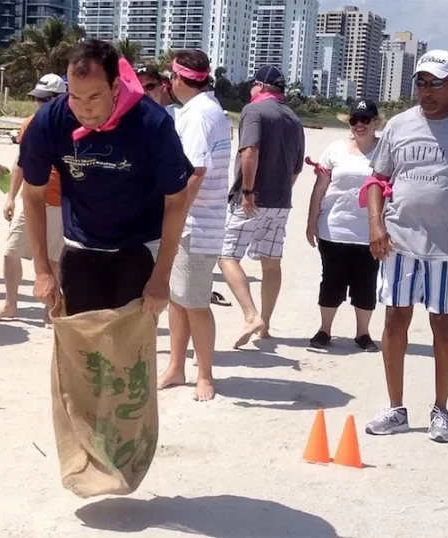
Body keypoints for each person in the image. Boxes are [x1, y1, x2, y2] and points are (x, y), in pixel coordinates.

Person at [362, 50, 448, 443]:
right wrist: (375, 224)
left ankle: (441, 410)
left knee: (443, 324)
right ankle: (396, 408)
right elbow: (377, 180)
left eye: (435, 83)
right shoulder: (400, 125)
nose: (427, 90)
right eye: (421, 82)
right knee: (394, 319)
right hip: (399, 241)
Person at [18, 39, 189, 320]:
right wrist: (41, 271)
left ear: (115, 87)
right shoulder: (51, 120)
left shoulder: (152, 123)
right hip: (81, 245)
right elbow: (33, 194)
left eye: (94, 97)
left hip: (139, 245)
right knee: (84, 349)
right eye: (75, 96)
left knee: (129, 352)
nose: (84, 108)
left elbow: (177, 200)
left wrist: (161, 277)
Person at [155, 50, 230, 402]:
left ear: (180, 79)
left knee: (196, 302)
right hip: (193, 222)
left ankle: (205, 375)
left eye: (171, 77)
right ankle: (176, 367)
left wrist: (176, 214)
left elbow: (196, 172)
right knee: (177, 299)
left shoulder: (200, 114)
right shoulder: (200, 109)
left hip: (197, 224)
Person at [219, 65, 305, 348]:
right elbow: (296, 168)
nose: (250, 90)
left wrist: (247, 191)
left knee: (227, 255)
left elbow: (250, 151)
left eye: (253, 85)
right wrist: (281, 193)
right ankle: (264, 325)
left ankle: (250, 315)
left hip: (252, 199)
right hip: (281, 200)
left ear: (261, 86)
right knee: (271, 262)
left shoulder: (254, 111)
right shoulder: (293, 119)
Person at [305, 99, 382, 352]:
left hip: (370, 231)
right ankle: (324, 329)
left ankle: (363, 334)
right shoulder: (335, 149)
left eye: (365, 120)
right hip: (334, 227)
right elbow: (320, 187)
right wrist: (311, 220)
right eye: (354, 120)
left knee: (366, 283)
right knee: (331, 281)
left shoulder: (385, 151)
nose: (359, 125)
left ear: (375, 123)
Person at [0, 74, 66, 322]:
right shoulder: (29, 124)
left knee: (53, 259)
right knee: (11, 252)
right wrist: (11, 197)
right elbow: (21, 162)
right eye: (37, 100)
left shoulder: (72, 126)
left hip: (59, 202)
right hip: (30, 200)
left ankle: (51, 309)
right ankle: (10, 304)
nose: (39, 105)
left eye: (44, 100)